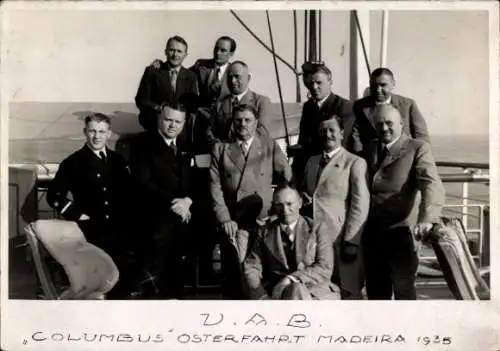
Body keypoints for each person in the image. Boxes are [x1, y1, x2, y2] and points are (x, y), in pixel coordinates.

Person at [46, 113, 139, 299]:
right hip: (92, 233)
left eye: (102, 132)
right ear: (85, 132)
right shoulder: (72, 163)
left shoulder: (118, 161)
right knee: (96, 287)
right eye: (92, 131)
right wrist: (78, 215)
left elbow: (130, 194)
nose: (97, 136)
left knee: (122, 286)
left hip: (120, 234)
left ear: (109, 134)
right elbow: (54, 196)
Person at [362, 104, 444, 300]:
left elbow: (431, 185)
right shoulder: (370, 148)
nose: (384, 128)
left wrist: (427, 218)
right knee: (375, 291)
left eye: (389, 123)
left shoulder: (417, 149)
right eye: (379, 124)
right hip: (371, 233)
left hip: (401, 233)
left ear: (401, 124)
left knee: (403, 290)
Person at [209, 104, 292, 298]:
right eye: (238, 120)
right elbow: (215, 188)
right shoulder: (221, 149)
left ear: (256, 123)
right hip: (233, 223)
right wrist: (224, 219)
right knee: (234, 278)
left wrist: (274, 214)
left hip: (263, 222)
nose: (242, 124)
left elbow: (287, 180)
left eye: (247, 120)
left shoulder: (269, 145)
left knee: (260, 277)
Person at [300, 114, 370, 299]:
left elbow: (360, 204)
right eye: (323, 131)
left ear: (341, 133)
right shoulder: (312, 162)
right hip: (315, 242)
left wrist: (351, 241)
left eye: (332, 130)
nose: (327, 135)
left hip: (340, 240)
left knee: (349, 290)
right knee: (319, 291)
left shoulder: (354, 162)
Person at [128, 103, 194, 299]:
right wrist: (176, 204)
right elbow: (142, 181)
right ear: (159, 119)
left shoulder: (187, 146)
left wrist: (188, 201)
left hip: (183, 223)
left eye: (178, 121)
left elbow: (197, 180)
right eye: (168, 120)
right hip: (153, 223)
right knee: (155, 286)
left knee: (179, 279)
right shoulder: (142, 144)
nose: (173, 125)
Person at [244, 184, 341, 300]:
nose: (285, 210)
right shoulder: (264, 232)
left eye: (289, 204)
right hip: (278, 293)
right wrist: (260, 295)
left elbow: (324, 268)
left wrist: (290, 279)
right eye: (279, 205)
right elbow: (252, 266)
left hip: (315, 291)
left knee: (297, 290)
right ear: (273, 206)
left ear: (300, 203)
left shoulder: (318, 228)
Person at [291, 64, 356, 184]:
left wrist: (305, 149)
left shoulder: (344, 107)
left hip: (333, 169)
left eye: (319, 83)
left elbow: (340, 143)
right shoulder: (308, 107)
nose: (314, 87)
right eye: (311, 84)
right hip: (309, 169)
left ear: (330, 82)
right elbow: (304, 138)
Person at [351, 67, 430, 157]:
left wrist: (418, 159)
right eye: (373, 85)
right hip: (370, 161)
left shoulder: (408, 105)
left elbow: (422, 138)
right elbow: (355, 137)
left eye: (383, 85)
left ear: (393, 84)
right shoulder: (359, 106)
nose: (378, 89)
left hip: (401, 159)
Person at [135, 35, 198, 131]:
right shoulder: (153, 71)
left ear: (185, 55)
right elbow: (141, 99)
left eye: (179, 51)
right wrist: (160, 109)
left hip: (179, 126)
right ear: (166, 51)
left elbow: (192, 104)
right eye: (172, 50)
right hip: (156, 123)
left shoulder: (191, 76)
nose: (175, 54)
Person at [208, 61, 272, 146]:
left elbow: (263, 134)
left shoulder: (261, 102)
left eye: (237, 76)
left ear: (248, 78)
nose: (233, 81)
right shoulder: (219, 104)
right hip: (223, 153)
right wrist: (220, 147)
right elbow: (210, 131)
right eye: (229, 77)